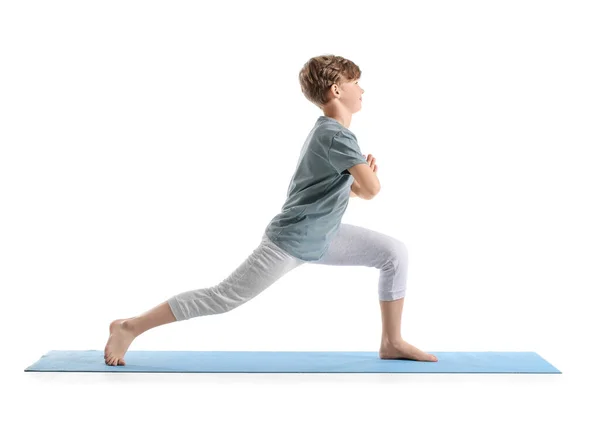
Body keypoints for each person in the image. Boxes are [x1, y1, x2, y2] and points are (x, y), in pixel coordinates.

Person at [104, 54, 438, 366]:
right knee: (223, 297)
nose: (362, 89)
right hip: (293, 240)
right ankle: (130, 327)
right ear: (337, 89)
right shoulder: (336, 136)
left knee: (394, 253)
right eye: (356, 82)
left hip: (322, 235)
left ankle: (391, 341)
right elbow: (373, 190)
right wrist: (366, 181)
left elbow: (355, 192)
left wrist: (359, 184)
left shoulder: (330, 134)